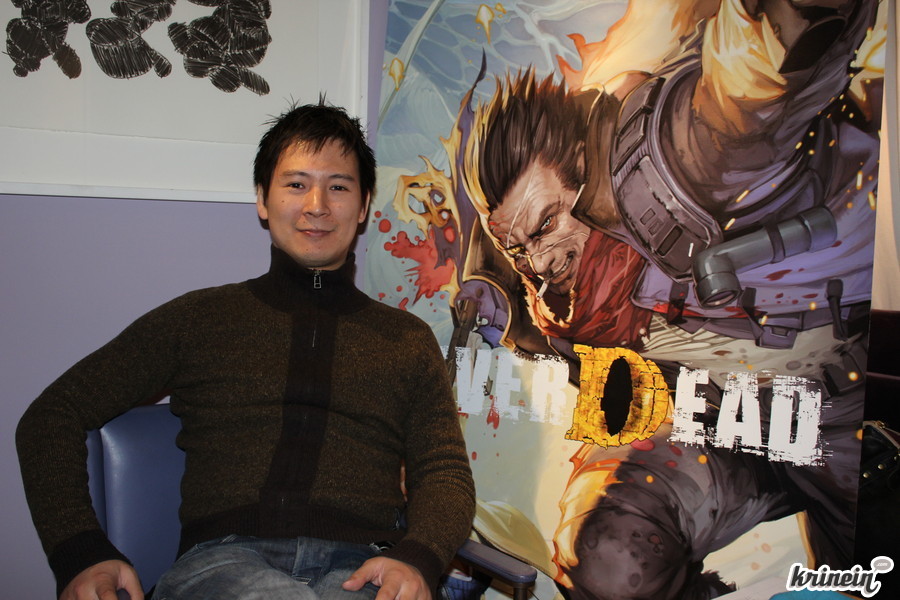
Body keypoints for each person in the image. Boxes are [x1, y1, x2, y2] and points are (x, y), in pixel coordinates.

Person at [16, 101, 476, 600]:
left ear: (363, 206)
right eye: (296, 184)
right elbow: (53, 415)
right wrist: (80, 553)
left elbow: (444, 472)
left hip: (362, 567)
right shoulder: (200, 319)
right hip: (222, 565)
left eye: (339, 187)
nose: (317, 205)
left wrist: (419, 557)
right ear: (262, 199)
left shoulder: (407, 340)